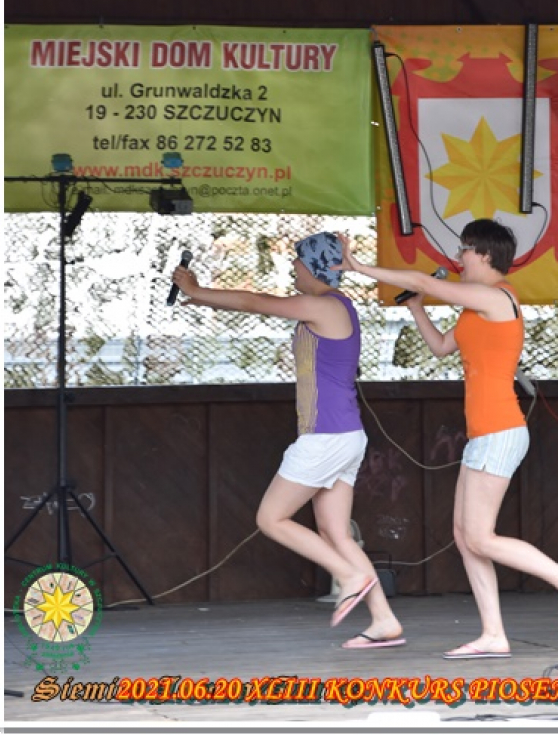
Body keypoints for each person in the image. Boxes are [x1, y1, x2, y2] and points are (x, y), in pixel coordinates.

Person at [339, 218, 558, 660]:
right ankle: (493, 634)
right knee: (465, 536)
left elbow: (424, 280)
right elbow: (442, 347)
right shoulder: (474, 308)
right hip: (484, 434)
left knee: (479, 537)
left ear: (484, 254)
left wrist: (359, 266)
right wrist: (417, 308)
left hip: (500, 431)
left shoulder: (497, 298)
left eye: (464, 251)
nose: (458, 259)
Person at [173, 231, 404, 650]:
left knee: (271, 519)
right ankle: (384, 620)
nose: (292, 267)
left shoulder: (325, 305)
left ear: (314, 265)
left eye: (297, 261)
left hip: (326, 437)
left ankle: (349, 576)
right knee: (336, 533)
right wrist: (203, 297)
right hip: (343, 436)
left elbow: (254, 302)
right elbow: (255, 304)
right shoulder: (331, 307)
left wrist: (197, 290)